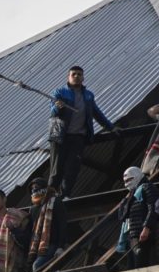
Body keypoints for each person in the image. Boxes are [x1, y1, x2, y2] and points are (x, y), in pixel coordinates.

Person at [48, 66, 120, 198]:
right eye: (73, 74)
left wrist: (111, 127)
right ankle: (49, 197)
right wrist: (58, 107)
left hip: (78, 137)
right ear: (68, 77)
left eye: (79, 74)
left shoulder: (88, 95)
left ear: (83, 77)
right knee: (56, 169)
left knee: (72, 169)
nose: (76, 76)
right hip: (60, 136)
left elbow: (97, 113)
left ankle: (64, 196)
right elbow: (52, 112)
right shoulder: (59, 92)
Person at [116, 167, 159, 269]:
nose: (127, 183)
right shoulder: (131, 195)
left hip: (143, 235)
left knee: (141, 266)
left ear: (137, 176)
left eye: (129, 179)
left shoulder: (148, 187)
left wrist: (146, 228)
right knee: (132, 268)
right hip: (132, 237)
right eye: (125, 181)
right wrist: (125, 200)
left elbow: (153, 208)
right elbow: (122, 216)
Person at [27, 178, 66, 272]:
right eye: (32, 188)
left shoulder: (55, 201)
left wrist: (61, 246)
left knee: (37, 266)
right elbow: (32, 230)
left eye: (37, 187)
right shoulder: (33, 208)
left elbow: (62, 224)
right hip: (38, 246)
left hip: (53, 244)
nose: (34, 190)